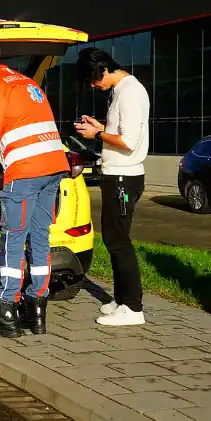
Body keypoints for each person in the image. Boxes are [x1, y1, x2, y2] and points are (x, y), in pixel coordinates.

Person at [0, 62, 70, 337]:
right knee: (39, 237)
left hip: (25, 171)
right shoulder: (27, 83)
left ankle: (6, 312)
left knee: (12, 239)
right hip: (54, 166)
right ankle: (36, 312)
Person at [74, 48, 150, 327]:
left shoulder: (130, 92)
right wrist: (102, 127)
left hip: (123, 176)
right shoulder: (121, 90)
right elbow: (123, 131)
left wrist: (97, 134)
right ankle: (122, 300)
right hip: (116, 174)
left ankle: (133, 308)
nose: (94, 86)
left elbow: (129, 140)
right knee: (113, 239)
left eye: (93, 80)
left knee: (119, 241)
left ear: (102, 70)